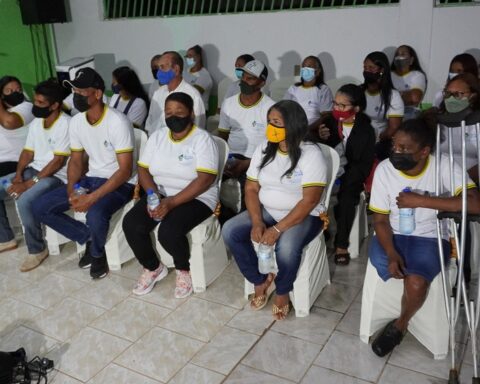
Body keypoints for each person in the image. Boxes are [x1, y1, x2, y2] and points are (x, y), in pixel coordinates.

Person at [367, 118, 480, 356]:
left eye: (405, 149)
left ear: (424, 151)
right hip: (392, 235)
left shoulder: (443, 166)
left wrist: (422, 201)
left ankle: (399, 325)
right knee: (402, 270)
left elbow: (475, 204)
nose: (397, 152)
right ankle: (401, 305)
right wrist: (391, 253)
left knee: (416, 282)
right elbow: (379, 220)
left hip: (430, 237)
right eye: (395, 146)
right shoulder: (385, 169)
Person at [222, 100, 327, 320]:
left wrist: (277, 230)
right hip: (269, 209)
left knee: (287, 248)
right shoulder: (264, 148)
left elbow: (309, 201)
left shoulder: (310, 154)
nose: (271, 127)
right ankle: (260, 280)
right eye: (270, 122)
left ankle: (282, 291)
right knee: (231, 230)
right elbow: (251, 188)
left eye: (277, 123)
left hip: (305, 215)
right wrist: (257, 220)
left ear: (293, 125)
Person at [32, 68, 135, 279]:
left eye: (81, 93)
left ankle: (97, 254)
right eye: (74, 93)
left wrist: (92, 198)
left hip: (121, 183)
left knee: (96, 213)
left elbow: (124, 171)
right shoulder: (78, 122)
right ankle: (88, 237)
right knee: (40, 207)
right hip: (92, 178)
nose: (76, 97)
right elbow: (76, 160)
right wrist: (72, 190)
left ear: (97, 93)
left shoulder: (118, 122)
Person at [122, 92, 218, 298]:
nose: (173, 117)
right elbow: (143, 169)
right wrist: (153, 195)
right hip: (161, 192)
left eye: (179, 112)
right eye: (168, 113)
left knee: (169, 231)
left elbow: (205, 180)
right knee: (131, 224)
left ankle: (183, 270)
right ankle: (153, 267)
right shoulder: (157, 137)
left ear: (191, 114)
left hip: (197, 197)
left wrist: (171, 202)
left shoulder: (202, 139)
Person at [0, 79, 70, 271]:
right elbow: (28, 152)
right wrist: (18, 175)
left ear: (54, 105)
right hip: (34, 171)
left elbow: (57, 163)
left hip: (56, 177)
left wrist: (28, 184)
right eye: (36, 101)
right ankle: (5, 239)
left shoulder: (65, 124)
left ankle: (37, 249)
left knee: (24, 200)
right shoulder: (38, 123)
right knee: (1, 186)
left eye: (40, 103)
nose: (35, 106)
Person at [317, 84, 375, 265]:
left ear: (356, 108)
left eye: (343, 105)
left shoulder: (366, 129)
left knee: (348, 196)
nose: (337, 109)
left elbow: (363, 163)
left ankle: (341, 244)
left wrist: (346, 176)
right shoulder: (329, 122)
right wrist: (321, 137)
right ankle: (320, 228)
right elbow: (319, 150)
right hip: (330, 170)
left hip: (354, 172)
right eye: (335, 104)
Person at [218, 59, 275, 214]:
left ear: (262, 83)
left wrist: (247, 164)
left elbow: (272, 146)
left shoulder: (270, 107)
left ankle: (246, 224)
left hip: (256, 158)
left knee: (249, 195)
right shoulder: (229, 103)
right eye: (243, 76)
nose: (244, 81)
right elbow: (222, 137)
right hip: (231, 156)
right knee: (205, 183)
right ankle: (223, 217)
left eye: (250, 78)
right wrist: (222, 160)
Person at [0, 76, 34, 253]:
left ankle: (5, 238)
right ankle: (5, 238)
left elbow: (9, 122)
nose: (15, 93)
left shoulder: (26, 107)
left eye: (18, 90)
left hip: (19, 168)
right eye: (9, 91)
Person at [145, 51, 205, 135]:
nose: (159, 72)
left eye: (162, 67)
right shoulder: (158, 93)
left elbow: (198, 128)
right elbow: (150, 122)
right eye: (158, 68)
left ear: (176, 69)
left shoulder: (192, 95)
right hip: (155, 142)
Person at [362, 51, 404, 160]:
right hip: (359, 139)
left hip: (380, 142)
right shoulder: (359, 90)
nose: (367, 71)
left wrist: (376, 139)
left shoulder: (392, 95)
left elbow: (393, 128)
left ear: (382, 70)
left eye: (371, 68)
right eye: (365, 67)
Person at [283, 55, 333, 126]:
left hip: (313, 130)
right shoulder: (293, 88)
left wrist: (309, 129)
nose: (305, 69)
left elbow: (326, 116)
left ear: (318, 71)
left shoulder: (323, 89)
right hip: (293, 128)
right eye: (304, 67)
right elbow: (283, 109)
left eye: (309, 67)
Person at [391, 45, 427, 119]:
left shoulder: (417, 75)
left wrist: (392, 97)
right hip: (390, 113)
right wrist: (403, 95)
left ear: (411, 60)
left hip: (409, 114)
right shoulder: (389, 75)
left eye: (403, 54)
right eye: (397, 55)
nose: (399, 57)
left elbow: (414, 98)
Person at [183, 45, 213, 114]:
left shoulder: (204, 75)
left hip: (198, 111)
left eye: (190, 56)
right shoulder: (185, 72)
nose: (188, 58)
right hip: (185, 108)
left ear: (198, 57)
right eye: (187, 56)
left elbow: (194, 95)